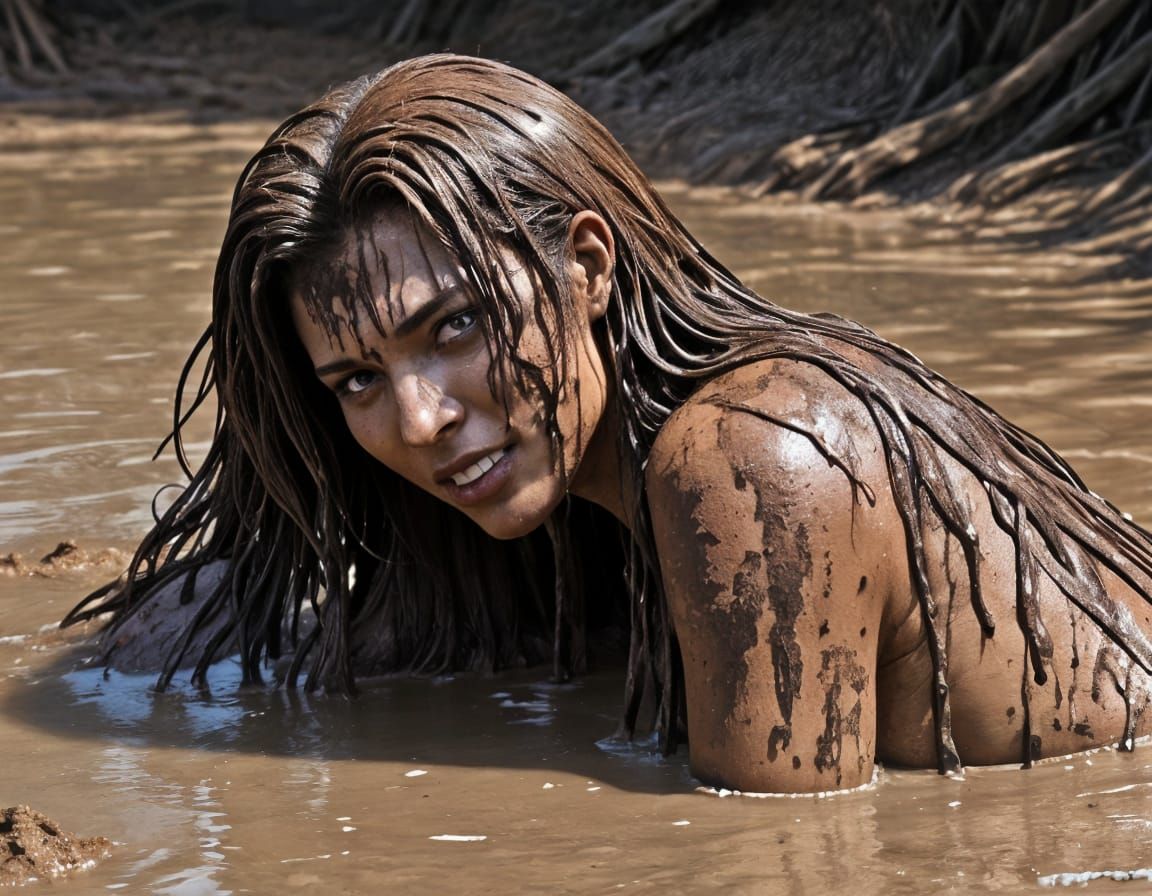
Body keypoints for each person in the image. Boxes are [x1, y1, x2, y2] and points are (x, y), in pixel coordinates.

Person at [65, 54, 1152, 795]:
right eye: (355, 380)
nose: (421, 416)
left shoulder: (750, 460)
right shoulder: (589, 492)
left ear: (586, 263)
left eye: (455, 325)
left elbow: (778, 855)